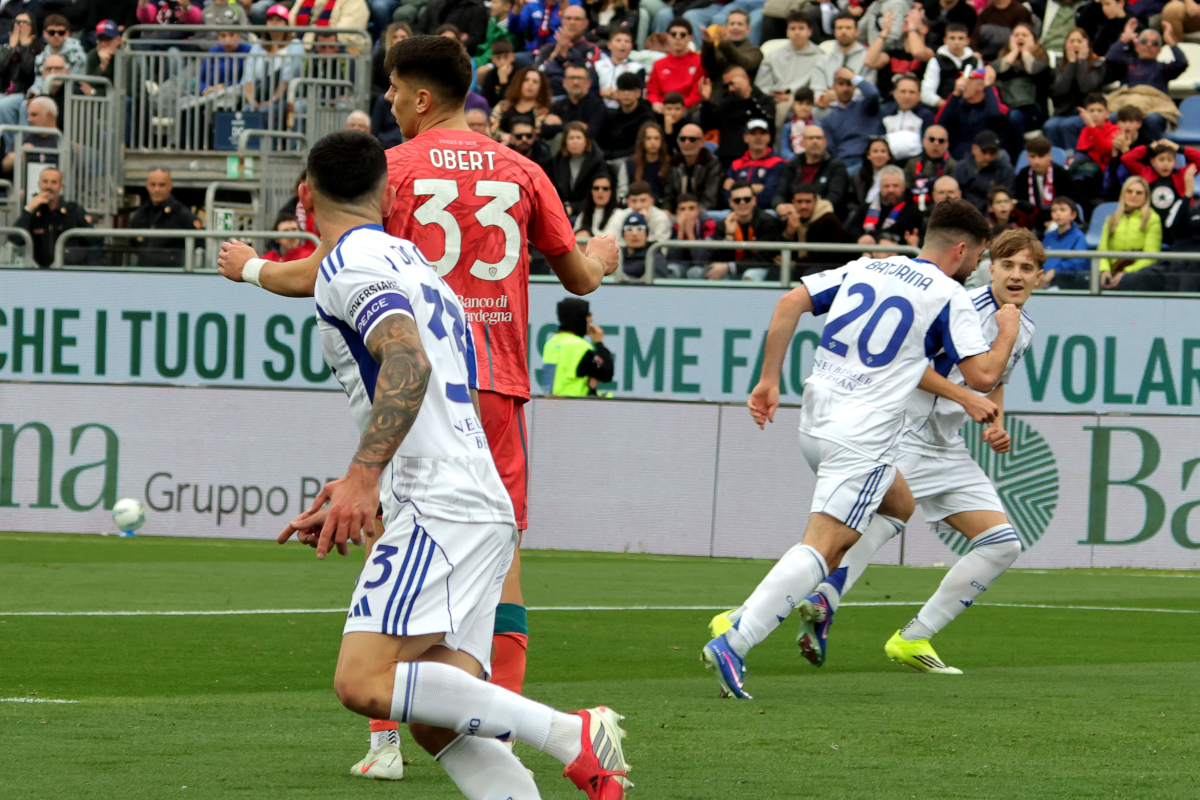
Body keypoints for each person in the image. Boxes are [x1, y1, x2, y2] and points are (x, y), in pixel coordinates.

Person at [216, 35, 620, 780]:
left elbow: (403, 356)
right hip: (481, 443)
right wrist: (362, 480)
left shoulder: (369, 239)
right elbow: (577, 278)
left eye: (397, 93)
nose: (393, 104)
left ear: (309, 196)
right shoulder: (472, 218)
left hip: (434, 485)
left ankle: (568, 732)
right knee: (446, 713)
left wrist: (365, 477)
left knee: (364, 680)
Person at [702, 198, 1019, 699]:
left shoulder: (869, 266)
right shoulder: (950, 295)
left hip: (816, 417)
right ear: (961, 250)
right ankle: (736, 638)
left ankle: (814, 602)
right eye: (978, 258)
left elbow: (789, 303)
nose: (976, 268)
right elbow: (982, 375)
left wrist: (767, 380)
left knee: (899, 502)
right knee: (822, 544)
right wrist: (1005, 333)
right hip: (863, 434)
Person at [792, 227, 1042, 674]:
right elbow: (910, 364)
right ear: (989, 266)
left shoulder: (1021, 328)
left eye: (1027, 267)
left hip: (946, 447)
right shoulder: (959, 303)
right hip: (903, 433)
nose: (1016, 274)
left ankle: (912, 637)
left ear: (1040, 277)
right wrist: (967, 397)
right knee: (853, 528)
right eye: (1007, 264)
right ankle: (750, 620)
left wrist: (995, 424)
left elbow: (995, 379)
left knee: (1002, 545)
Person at [1104, 21, 1185, 143]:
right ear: (1136, 46)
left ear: (1159, 50)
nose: (1148, 45)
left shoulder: (1163, 68)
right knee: (1111, 117)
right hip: (1127, 104)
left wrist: (1170, 42)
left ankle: (1154, 152)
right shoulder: (1127, 63)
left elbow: (1182, 63)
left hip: (1154, 106)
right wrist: (1124, 39)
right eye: (1144, 41)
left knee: (1152, 119)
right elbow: (1110, 58)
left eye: (1154, 43)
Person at [754, 11, 827, 133]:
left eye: (801, 28)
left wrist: (794, 98)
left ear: (809, 31)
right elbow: (761, 87)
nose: (797, 32)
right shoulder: (773, 56)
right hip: (776, 101)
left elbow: (818, 86)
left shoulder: (820, 57)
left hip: (805, 102)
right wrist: (773, 95)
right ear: (787, 32)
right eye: (793, 28)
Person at [1119, 139, 1200, 244]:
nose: (1165, 164)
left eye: (1169, 160)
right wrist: (1149, 147)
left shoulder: (1182, 175)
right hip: (1150, 226)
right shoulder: (1146, 173)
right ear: (1153, 161)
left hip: (1177, 228)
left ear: (1175, 162)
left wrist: (1178, 148)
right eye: (1161, 160)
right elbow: (1127, 158)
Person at [699, 64, 774, 169]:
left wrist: (748, 99)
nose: (730, 88)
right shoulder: (725, 101)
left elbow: (767, 123)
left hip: (757, 159)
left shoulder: (764, 100)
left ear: (746, 78)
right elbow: (708, 125)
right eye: (726, 85)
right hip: (728, 159)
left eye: (733, 83)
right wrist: (705, 101)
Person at [706, 180, 784, 281]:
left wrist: (730, 266)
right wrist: (729, 235)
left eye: (747, 199)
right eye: (737, 200)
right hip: (730, 268)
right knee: (713, 274)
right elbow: (715, 259)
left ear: (754, 200)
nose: (742, 203)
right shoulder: (723, 224)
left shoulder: (767, 222)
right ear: (730, 202)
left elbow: (764, 258)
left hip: (760, 268)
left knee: (751, 275)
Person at [1043, 28, 1106, 152]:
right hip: (1064, 112)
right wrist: (1071, 64)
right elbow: (1060, 89)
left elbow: (1086, 87)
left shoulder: (1098, 66)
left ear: (1088, 46)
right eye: (1071, 41)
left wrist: (1082, 62)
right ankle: (1056, 160)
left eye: (1079, 41)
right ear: (1065, 45)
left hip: (1088, 112)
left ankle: (1071, 158)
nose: (1075, 44)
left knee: (1068, 125)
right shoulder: (1059, 67)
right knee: (1049, 126)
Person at [14, 166, 90, 268]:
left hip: (70, 272)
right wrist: (29, 209)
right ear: (39, 184)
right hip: (39, 272)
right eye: (45, 181)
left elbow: (93, 241)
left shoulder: (74, 211)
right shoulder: (32, 213)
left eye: (54, 182)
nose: (49, 186)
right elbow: (14, 239)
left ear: (61, 186)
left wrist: (89, 269)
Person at [814, 67, 882, 176]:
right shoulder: (828, 119)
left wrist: (853, 77)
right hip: (844, 164)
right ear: (833, 87)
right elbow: (831, 151)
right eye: (841, 84)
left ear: (854, 86)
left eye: (849, 84)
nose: (845, 89)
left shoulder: (866, 106)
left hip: (868, 161)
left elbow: (873, 94)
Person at [772, 124, 850, 219]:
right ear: (802, 143)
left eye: (819, 138)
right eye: (810, 138)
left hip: (823, 214)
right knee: (772, 215)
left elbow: (834, 197)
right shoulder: (793, 164)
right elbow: (780, 192)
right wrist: (780, 206)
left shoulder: (836, 166)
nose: (815, 141)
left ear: (825, 142)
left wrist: (809, 209)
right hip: (793, 213)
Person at [129, 167, 202, 267]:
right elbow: (132, 244)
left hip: (173, 273)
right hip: (145, 273)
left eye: (162, 185)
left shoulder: (181, 213)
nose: (157, 189)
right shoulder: (140, 214)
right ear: (147, 186)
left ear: (170, 186)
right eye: (153, 184)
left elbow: (200, 241)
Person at [542, 297, 616, 392]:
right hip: (574, 404)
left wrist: (591, 375)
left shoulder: (551, 343)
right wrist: (599, 343)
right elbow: (607, 372)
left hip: (550, 403)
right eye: (588, 315)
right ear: (579, 318)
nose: (591, 320)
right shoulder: (579, 347)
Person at [992, 23, 1046, 150]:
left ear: (1033, 39)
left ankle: (1015, 157)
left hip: (1031, 110)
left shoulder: (1041, 59)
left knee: (1013, 117)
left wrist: (1026, 52)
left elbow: (1033, 70)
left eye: (1025, 35)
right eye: (1016, 35)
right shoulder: (1005, 58)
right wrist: (1015, 51)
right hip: (1006, 106)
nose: (1020, 38)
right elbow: (993, 70)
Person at [934, 66, 1005, 161]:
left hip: (986, 158)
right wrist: (955, 94)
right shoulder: (958, 104)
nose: (962, 83)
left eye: (968, 80)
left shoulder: (995, 105)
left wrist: (988, 86)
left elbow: (995, 116)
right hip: (957, 159)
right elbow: (940, 125)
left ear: (981, 86)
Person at [845, 165, 923, 247]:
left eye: (895, 186)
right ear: (880, 187)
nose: (891, 190)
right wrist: (860, 238)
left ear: (903, 186)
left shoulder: (912, 210)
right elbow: (852, 228)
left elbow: (896, 230)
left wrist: (871, 238)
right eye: (886, 186)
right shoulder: (867, 207)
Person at [779, 182, 846, 276]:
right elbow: (776, 253)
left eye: (808, 201)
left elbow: (829, 256)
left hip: (826, 269)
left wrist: (796, 264)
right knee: (775, 272)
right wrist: (789, 232)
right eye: (799, 202)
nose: (803, 206)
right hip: (799, 265)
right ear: (793, 202)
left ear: (815, 201)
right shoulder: (790, 216)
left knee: (810, 274)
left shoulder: (829, 220)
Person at [535, 5, 602, 95]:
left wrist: (564, 57)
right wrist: (556, 53)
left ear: (586, 23)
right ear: (562, 21)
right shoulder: (547, 49)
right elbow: (538, 76)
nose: (572, 22)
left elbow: (588, 80)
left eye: (577, 19)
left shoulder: (592, 49)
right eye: (568, 18)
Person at [551, 121, 612, 217]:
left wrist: (573, 207)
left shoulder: (597, 162)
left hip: (588, 211)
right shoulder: (557, 161)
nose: (575, 142)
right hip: (562, 211)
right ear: (565, 142)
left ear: (586, 141)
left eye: (578, 138)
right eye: (571, 138)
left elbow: (598, 193)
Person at [724, 118, 785, 209]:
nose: (758, 137)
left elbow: (770, 195)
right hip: (735, 211)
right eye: (753, 133)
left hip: (764, 210)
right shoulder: (736, 164)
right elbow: (725, 195)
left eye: (762, 133)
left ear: (769, 137)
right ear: (745, 138)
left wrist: (737, 189)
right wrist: (752, 188)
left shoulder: (778, 163)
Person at [662, 121, 723, 211]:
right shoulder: (673, 163)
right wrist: (666, 211)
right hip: (678, 213)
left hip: (704, 212)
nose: (687, 143)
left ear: (702, 142)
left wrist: (693, 213)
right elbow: (668, 195)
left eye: (692, 139)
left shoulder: (712, 164)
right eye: (683, 139)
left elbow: (710, 197)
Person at [1014, 136, 1073, 230]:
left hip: (1057, 220)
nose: (1036, 161)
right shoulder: (1023, 174)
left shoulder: (1061, 174)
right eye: (1032, 156)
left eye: (1041, 156)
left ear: (1049, 155)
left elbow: (1069, 201)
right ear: (1027, 157)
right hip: (1031, 222)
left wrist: (1055, 220)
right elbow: (1019, 200)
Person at [646, 18, 704, 111]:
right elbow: (652, 92)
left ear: (690, 38)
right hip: (662, 109)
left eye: (682, 35)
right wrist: (656, 103)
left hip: (687, 109)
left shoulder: (698, 62)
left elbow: (696, 95)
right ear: (667, 36)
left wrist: (676, 108)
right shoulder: (658, 64)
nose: (677, 38)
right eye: (673, 34)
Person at [542, 62, 608, 142]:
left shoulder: (597, 106)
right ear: (564, 83)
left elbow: (592, 132)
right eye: (571, 78)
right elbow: (545, 131)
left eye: (580, 78)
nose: (575, 82)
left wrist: (560, 126)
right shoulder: (558, 105)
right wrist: (577, 126)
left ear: (589, 83)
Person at [919, 22, 977, 111]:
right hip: (943, 109)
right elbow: (926, 93)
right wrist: (949, 106)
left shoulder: (975, 61)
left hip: (970, 110)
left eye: (961, 38)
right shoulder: (936, 61)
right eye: (952, 38)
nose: (956, 42)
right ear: (945, 40)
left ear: (967, 41)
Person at [953, 130, 1014, 212]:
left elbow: (1008, 197)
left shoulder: (1004, 171)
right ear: (974, 149)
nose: (988, 157)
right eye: (984, 152)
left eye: (992, 153)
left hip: (993, 216)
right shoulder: (961, 168)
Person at [597, 72, 655, 158]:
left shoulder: (647, 117)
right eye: (623, 90)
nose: (626, 94)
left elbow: (641, 146)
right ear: (617, 93)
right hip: (609, 160)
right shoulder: (611, 116)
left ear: (638, 93)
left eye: (630, 90)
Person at [880, 75, 933, 161]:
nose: (907, 96)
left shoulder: (926, 116)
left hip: (916, 163)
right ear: (895, 94)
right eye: (903, 91)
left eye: (912, 92)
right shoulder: (885, 114)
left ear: (919, 96)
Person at [699, 10, 763, 83]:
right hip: (717, 91)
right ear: (726, 28)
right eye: (732, 24)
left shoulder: (755, 51)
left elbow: (744, 63)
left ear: (748, 29)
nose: (735, 27)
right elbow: (709, 65)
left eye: (740, 24)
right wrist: (708, 44)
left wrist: (725, 44)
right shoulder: (719, 48)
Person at [661, 192, 716, 277]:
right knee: (672, 269)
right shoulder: (674, 226)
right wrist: (680, 232)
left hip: (704, 267)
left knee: (695, 272)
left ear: (698, 211)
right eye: (683, 209)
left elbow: (701, 260)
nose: (687, 213)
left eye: (691, 208)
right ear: (677, 212)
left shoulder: (708, 225)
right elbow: (673, 259)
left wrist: (690, 233)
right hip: (682, 265)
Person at [1041, 197, 1090, 289]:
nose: (1058, 213)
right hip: (1044, 280)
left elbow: (1077, 262)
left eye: (1062, 210)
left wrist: (1055, 271)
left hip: (1067, 282)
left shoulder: (1079, 237)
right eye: (1054, 210)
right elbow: (1040, 258)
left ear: (1073, 215)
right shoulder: (1048, 235)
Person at [905, 125, 955, 213]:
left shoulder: (953, 166)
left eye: (941, 141)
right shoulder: (912, 163)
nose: (936, 144)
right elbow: (906, 190)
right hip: (912, 209)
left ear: (947, 145)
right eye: (932, 139)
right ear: (923, 141)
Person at [489, 66, 551, 136]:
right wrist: (505, 136)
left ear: (541, 87)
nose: (530, 84)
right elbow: (492, 127)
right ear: (518, 83)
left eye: (535, 82)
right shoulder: (503, 106)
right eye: (526, 80)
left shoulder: (544, 111)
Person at [603, 179, 673, 242]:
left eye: (643, 201)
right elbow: (609, 240)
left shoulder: (661, 218)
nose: (638, 206)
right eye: (634, 201)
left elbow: (659, 249)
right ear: (628, 203)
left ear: (652, 201)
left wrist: (643, 223)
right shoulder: (620, 215)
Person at [595, 26, 644, 108]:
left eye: (627, 41)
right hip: (599, 108)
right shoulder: (598, 65)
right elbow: (591, 90)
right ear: (609, 45)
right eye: (618, 40)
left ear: (631, 46)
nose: (623, 44)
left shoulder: (637, 69)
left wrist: (620, 96)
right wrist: (601, 93)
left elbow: (640, 95)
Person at [618, 121, 669, 200]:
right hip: (635, 206)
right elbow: (622, 193)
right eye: (648, 138)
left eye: (656, 138)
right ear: (642, 141)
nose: (653, 142)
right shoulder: (630, 164)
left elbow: (669, 194)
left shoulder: (668, 164)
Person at [848, 136, 895, 220]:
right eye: (875, 151)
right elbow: (850, 202)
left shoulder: (896, 176)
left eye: (883, 151)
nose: (879, 155)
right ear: (868, 155)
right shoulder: (858, 177)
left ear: (889, 156)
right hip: (862, 215)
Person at [819, 13, 873, 86]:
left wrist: (839, 96)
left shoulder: (867, 58)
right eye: (840, 28)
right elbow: (817, 87)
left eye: (848, 28)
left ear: (857, 32)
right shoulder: (824, 57)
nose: (843, 31)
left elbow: (870, 87)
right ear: (834, 31)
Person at [615, 209, 652, 279]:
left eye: (639, 229)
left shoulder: (653, 255)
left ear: (646, 234)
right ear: (623, 235)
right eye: (629, 229)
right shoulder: (616, 255)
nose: (634, 234)